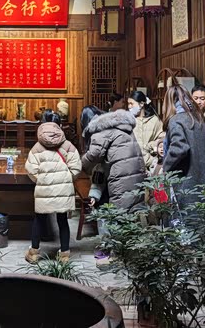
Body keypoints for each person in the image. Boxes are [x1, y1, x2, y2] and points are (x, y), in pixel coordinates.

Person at [24, 122, 81, 264]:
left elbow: (31, 169)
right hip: (64, 189)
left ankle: (34, 254)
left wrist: (42, 180)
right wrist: (66, 179)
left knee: (39, 220)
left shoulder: (37, 148)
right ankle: (64, 255)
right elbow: (76, 167)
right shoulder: (68, 146)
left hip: (44, 189)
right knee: (62, 221)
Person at [82, 109, 146, 212]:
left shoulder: (101, 131)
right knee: (132, 210)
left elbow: (93, 155)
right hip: (135, 176)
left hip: (120, 177)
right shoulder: (125, 129)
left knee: (118, 213)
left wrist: (80, 165)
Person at [162, 85, 205, 208]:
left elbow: (179, 148)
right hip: (204, 177)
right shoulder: (198, 117)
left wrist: (165, 167)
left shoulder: (176, 120)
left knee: (185, 216)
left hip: (185, 180)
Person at [129, 91, 164, 174]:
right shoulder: (129, 121)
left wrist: (150, 146)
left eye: (131, 103)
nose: (129, 106)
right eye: (128, 104)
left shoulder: (155, 120)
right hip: (133, 166)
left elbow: (162, 139)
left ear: (141, 104)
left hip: (151, 166)